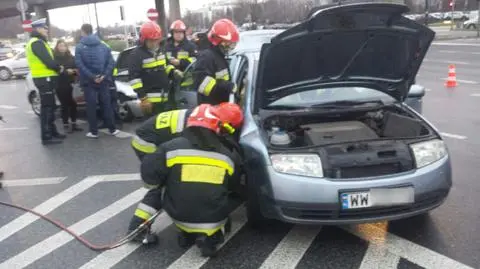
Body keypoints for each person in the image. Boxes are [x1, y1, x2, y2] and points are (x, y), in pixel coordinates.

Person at [127, 102, 244, 257]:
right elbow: (233, 185)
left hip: (178, 216)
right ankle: (209, 239)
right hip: (146, 142)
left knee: (166, 184)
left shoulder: (185, 131)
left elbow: (151, 175)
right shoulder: (226, 156)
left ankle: (183, 233)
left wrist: (165, 182)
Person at [25, 18, 67, 145]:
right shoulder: (37, 43)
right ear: (38, 29)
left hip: (46, 79)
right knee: (47, 108)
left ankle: (52, 132)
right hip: (44, 79)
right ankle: (47, 136)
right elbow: (48, 61)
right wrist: (59, 68)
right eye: (44, 28)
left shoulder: (39, 42)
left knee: (51, 106)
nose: (47, 30)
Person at [75, 24, 119, 138]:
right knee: (106, 104)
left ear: (83, 32)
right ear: (92, 31)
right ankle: (112, 129)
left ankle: (93, 132)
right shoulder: (103, 45)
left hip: (88, 81)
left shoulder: (79, 47)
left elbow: (79, 64)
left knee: (91, 106)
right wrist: (103, 75)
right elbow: (111, 62)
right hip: (103, 80)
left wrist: (92, 76)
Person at [128, 21, 179, 117]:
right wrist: (143, 98)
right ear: (144, 40)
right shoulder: (136, 55)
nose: (154, 43)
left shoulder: (161, 50)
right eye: (151, 40)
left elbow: (166, 65)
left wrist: (173, 71)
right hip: (150, 103)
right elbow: (134, 79)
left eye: (156, 40)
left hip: (165, 98)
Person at [193, 19, 240, 105]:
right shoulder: (206, 56)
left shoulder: (218, 55)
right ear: (219, 41)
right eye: (228, 43)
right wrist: (226, 86)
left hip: (220, 106)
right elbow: (201, 83)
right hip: (211, 108)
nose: (231, 47)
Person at [53, 40, 82, 133]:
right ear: (57, 47)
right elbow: (56, 70)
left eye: (64, 46)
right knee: (65, 104)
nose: (62, 48)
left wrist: (73, 71)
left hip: (70, 83)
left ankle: (73, 124)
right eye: (60, 46)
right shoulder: (54, 57)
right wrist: (66, 71)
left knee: (72, 104)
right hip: (59, 83)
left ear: (66, 47)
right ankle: (66, 124)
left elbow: (76, 67)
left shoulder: (70, 57)